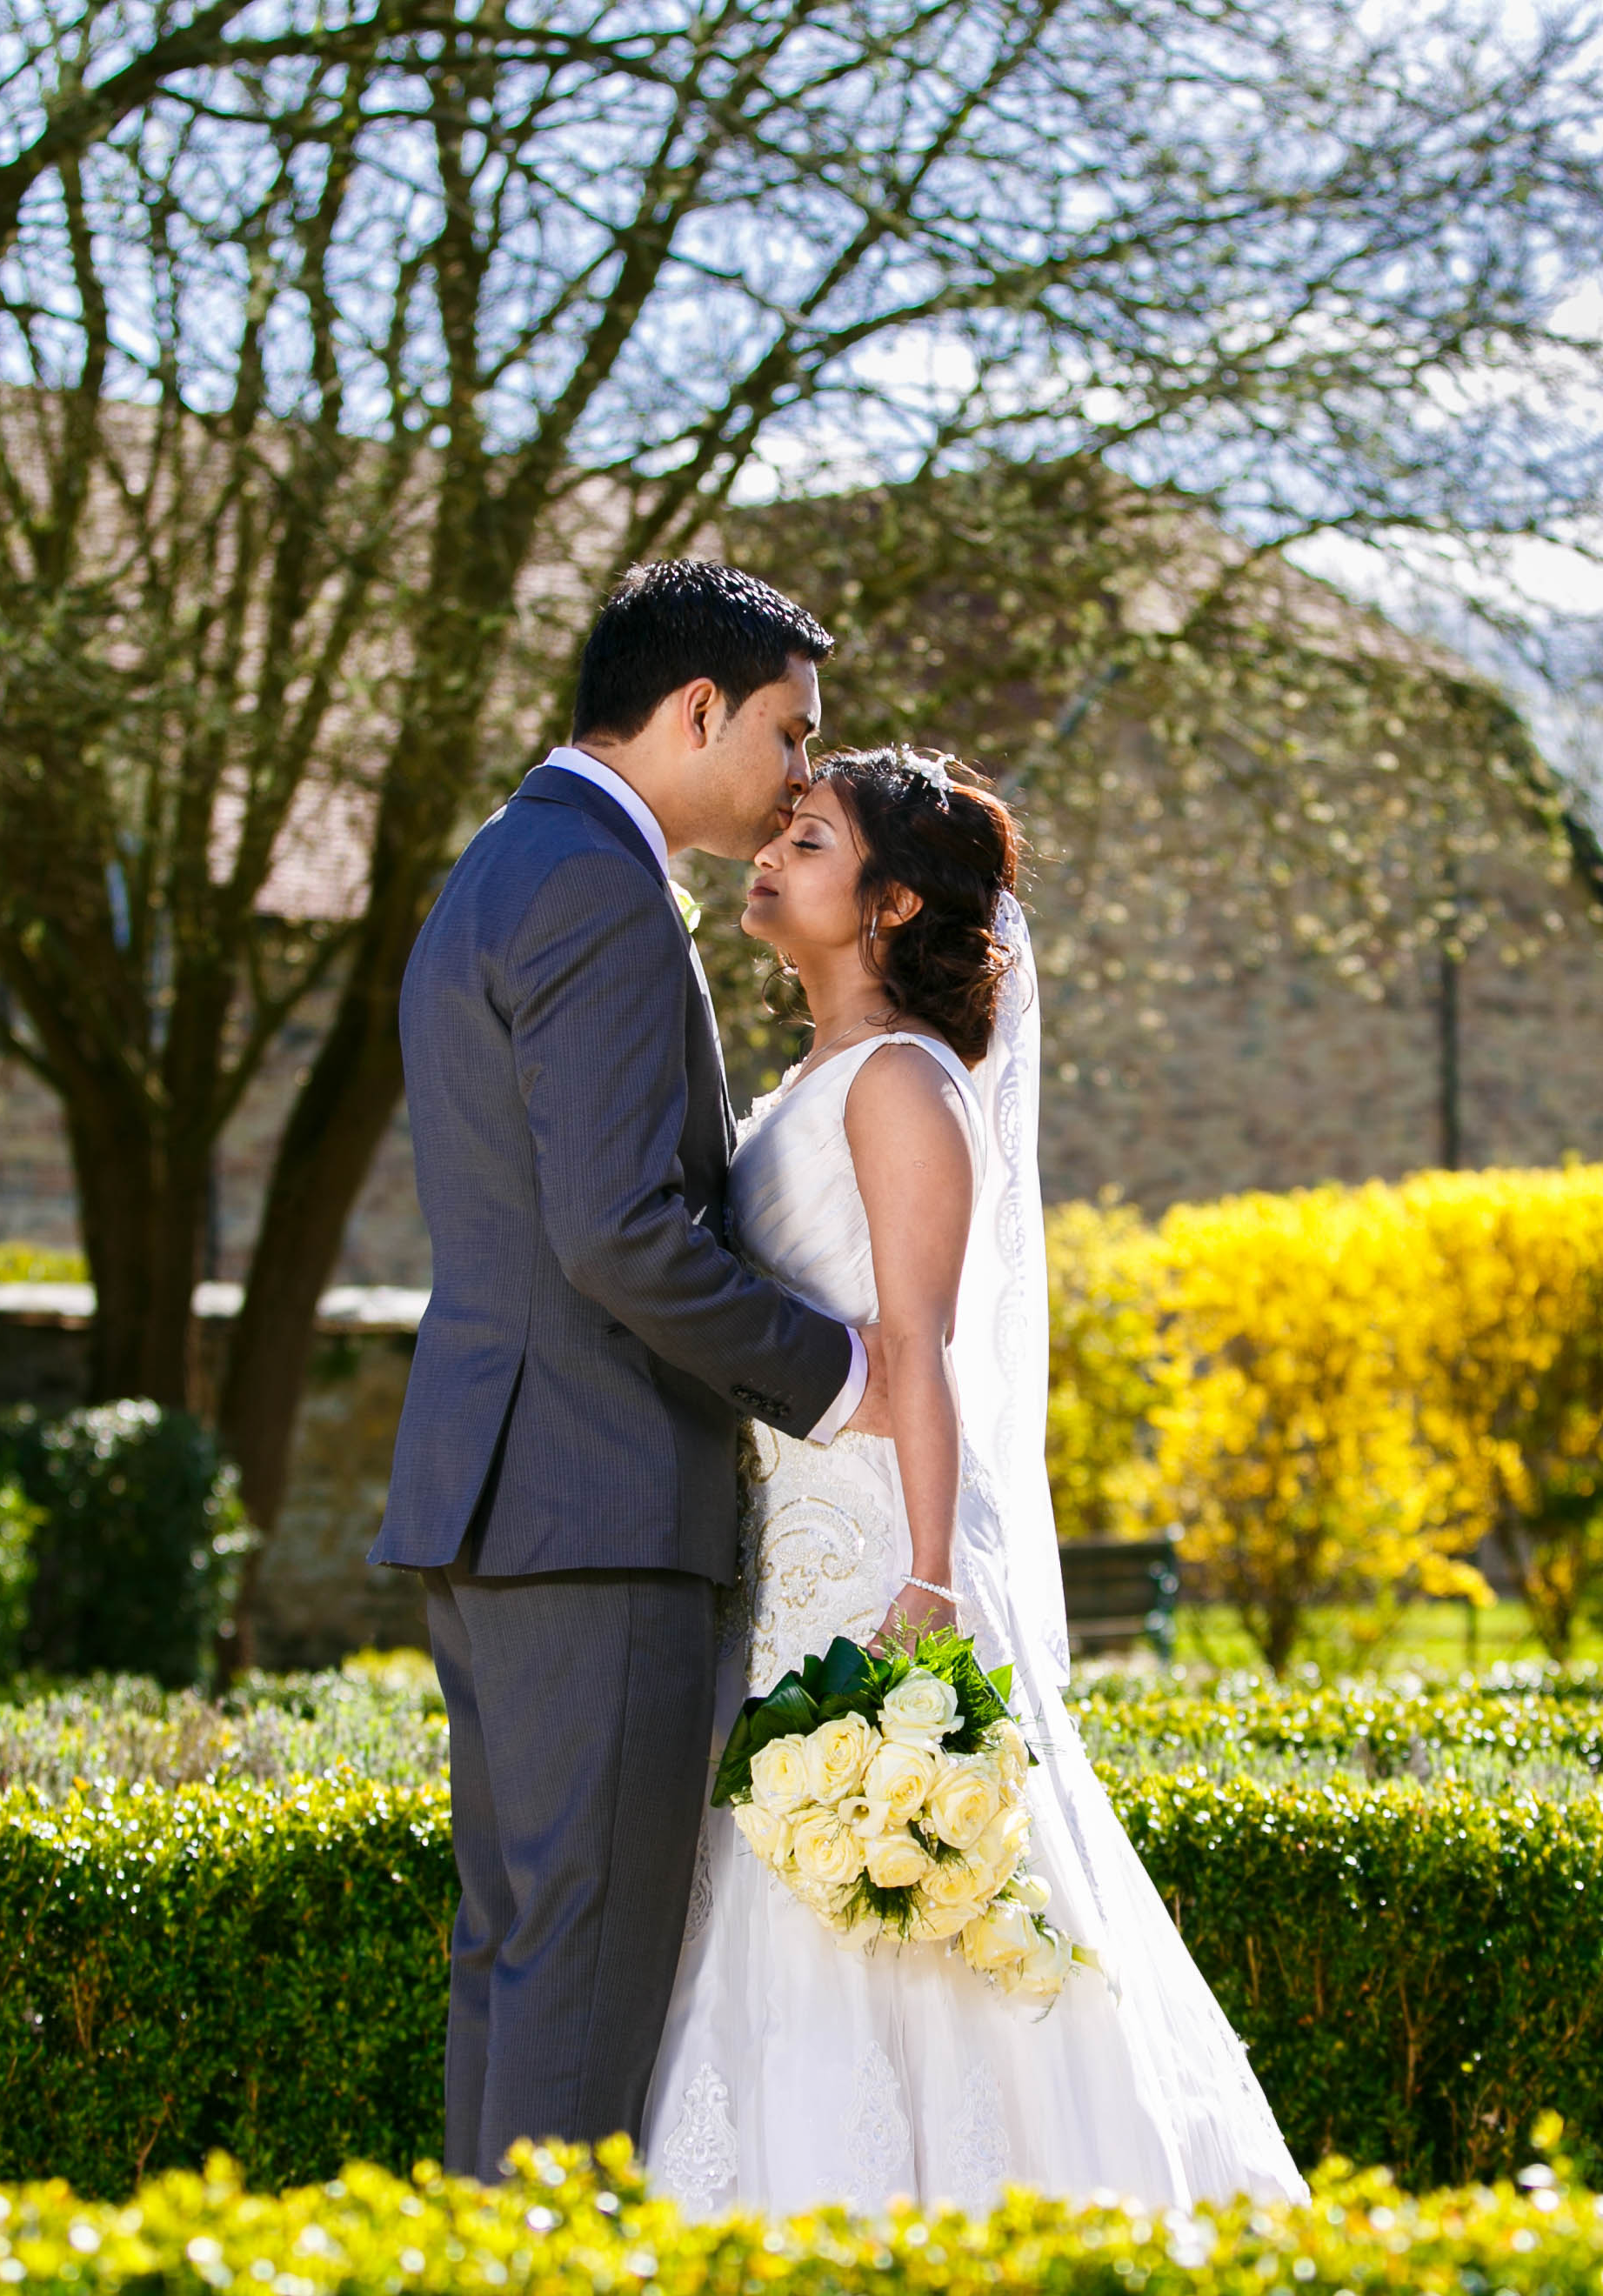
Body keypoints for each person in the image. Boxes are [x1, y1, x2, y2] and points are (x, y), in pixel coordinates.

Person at [639, 745, 1307, 2213]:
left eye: (807, 840)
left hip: (880, 1563)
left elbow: (919, 1352)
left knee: (903, 1903)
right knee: (784, 1902)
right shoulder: (816, 1077)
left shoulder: (898, 1087)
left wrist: (929, 1584)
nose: (769, 852)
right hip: (787, 1550)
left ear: (886, 907)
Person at [378, 561, 889, 2178]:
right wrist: (836, 1373)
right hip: (591, 1502)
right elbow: (618, 1233)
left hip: (504, 1497)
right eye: (791, 734)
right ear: (695, 710)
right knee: (576, 1986)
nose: (804, 777)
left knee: (520, 1963)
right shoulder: (597, 885)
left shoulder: (508, 862)